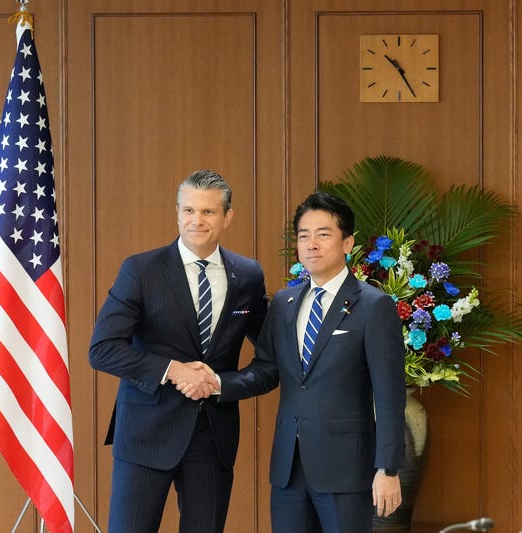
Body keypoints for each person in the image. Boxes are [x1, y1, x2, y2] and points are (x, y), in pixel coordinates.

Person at [186, 191, 406, 533]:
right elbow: (267, 370)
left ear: (347, 243)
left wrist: (388, 469)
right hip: (289, 469)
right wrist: (217, 383)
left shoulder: (373, 306)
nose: (311, 244)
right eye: (304, 235)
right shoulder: (285, 303)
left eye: (323, 234)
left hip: (346, 469)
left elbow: (390, 394)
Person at [89, 169, 268, 533]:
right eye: (188, 211)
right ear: (177, 212)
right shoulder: (141, 270)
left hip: (212, 438)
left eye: (208, 212)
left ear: (227, 216)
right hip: (144, 436)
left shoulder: (248, 275)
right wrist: (173, 370)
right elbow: (103, 349)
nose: (196, 221)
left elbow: (270, 364)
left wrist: (220, 383)